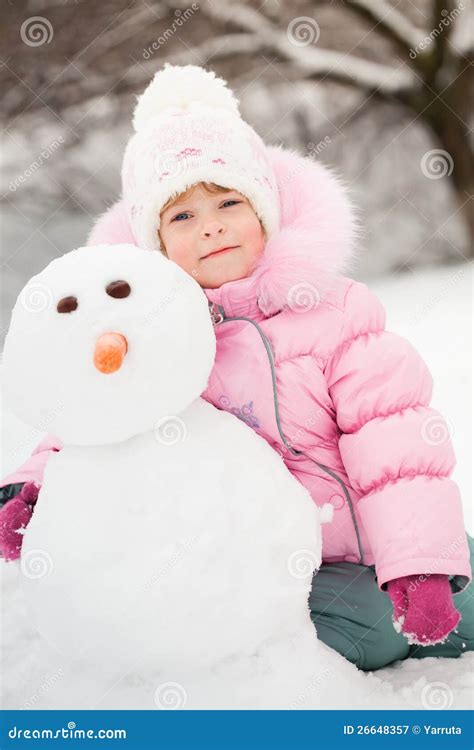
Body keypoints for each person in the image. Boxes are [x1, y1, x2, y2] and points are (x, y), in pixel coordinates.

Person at [1, 64, 472, 672]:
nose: (213, 225)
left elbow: (396, 443)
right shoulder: (158, 338)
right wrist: (34, 484)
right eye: (182, 216)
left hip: (381, 533)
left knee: (460, 581)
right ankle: (271, 650)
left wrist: (420, 564)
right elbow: (100, 416)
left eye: (228, 201)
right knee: (376, 634)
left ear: (265, 211)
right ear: (157, 245)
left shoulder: (335, 313)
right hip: (290, 559)